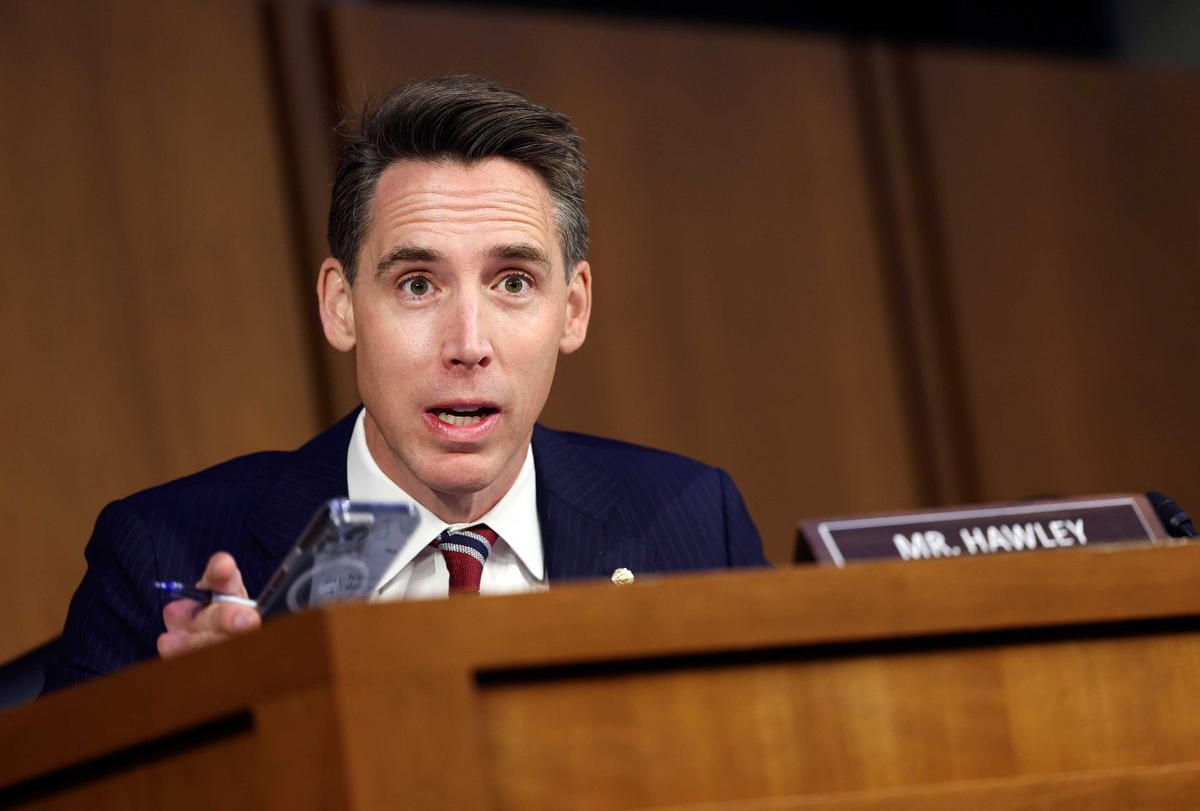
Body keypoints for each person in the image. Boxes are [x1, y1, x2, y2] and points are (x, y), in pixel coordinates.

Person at [43, 75, 766, 693]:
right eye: (418, 284)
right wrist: (212, 726)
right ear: (341, 305)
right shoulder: (161, 553)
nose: (468, 346)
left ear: (572, 309)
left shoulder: (697, 525)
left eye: (514, 283)